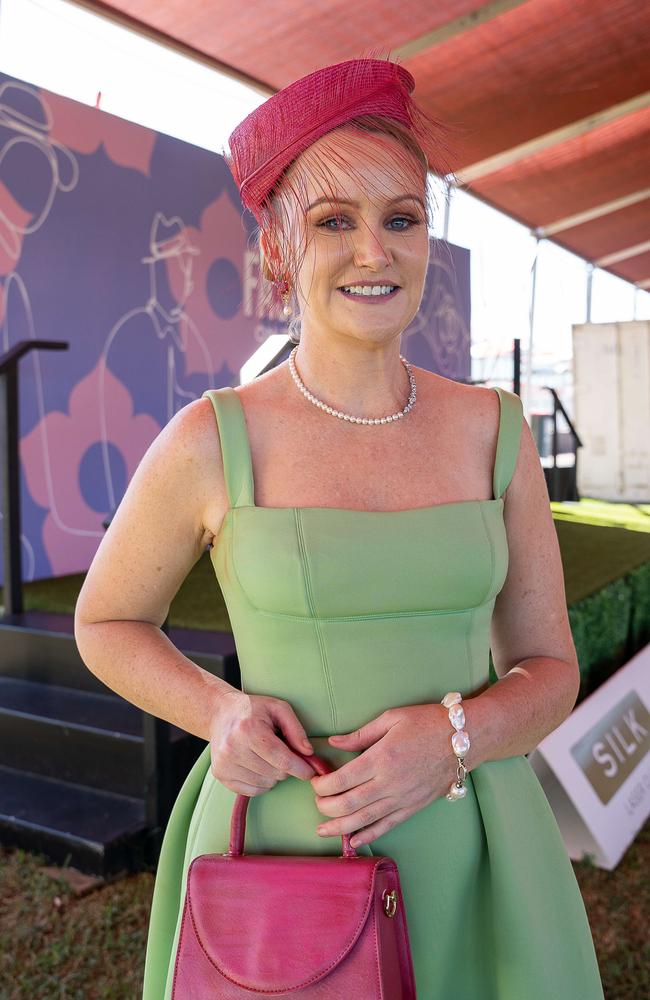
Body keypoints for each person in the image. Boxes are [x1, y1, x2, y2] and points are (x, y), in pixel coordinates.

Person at [74, 55, 605, 999]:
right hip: (287, 860)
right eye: (334, 222)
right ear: (280, 249)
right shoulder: (211, 439)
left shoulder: (497, 431)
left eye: (401, 218)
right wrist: (218, 712)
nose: (375, 252)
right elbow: (105, 622)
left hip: (480, 855)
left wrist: (456, 738)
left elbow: (550, 670)